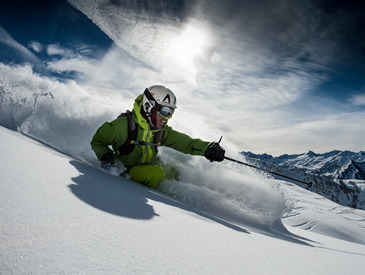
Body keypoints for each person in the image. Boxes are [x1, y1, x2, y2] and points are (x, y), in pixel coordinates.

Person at [91, 85, 225, 189]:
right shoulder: (123, 126)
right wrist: (105, 155)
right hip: (127, 171)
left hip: (151, 166)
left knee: (174, 172)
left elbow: (185, 143)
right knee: (156, 174)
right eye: (165, 111)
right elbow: (98, 140)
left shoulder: (160, 131)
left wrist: (207, 148)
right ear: (149, 106)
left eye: (171, 112)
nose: (168, 117)